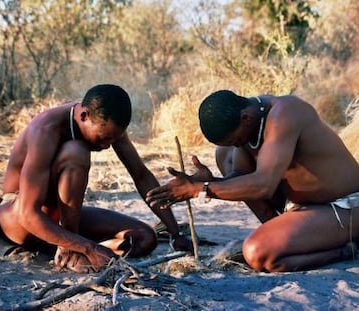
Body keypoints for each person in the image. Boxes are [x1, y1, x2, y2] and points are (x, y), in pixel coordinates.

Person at [0, 84, 192, 273]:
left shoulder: (106, 122)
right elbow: (27, 214)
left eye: (113, 140)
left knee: (144, 238)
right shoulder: (46, 130)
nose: (107, 145)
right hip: (17, 220)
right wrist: (89, 247)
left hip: (55, 220)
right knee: (76, 151)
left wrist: (175, 233)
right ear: (84, 116)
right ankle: (70, 250)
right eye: (104, 139)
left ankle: (66, 245)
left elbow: (141, 174)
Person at [146, 90, 359, 272]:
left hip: (343, 207)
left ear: (245, 119)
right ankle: (287, 238)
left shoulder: (285, 113)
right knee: (224, 154)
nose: (238, 145)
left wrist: (201, 189)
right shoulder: (250, 122)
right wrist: (210, 182)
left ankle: (346, 249)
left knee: (257, 253)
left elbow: (264, 185)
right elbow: (241, 179)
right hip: (305, 208)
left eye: (236, 139)